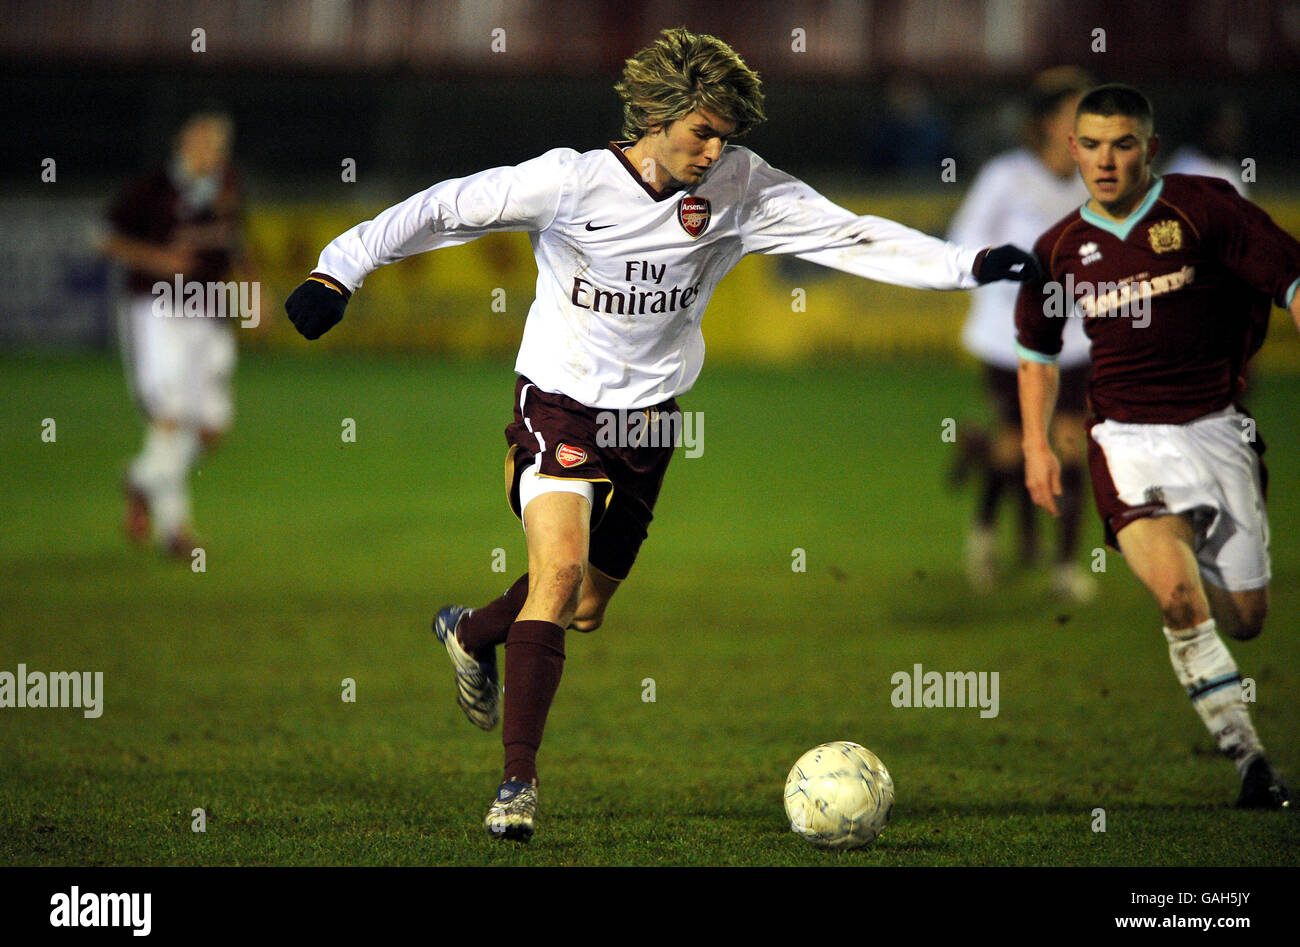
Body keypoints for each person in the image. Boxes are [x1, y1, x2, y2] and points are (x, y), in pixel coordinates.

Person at [286, 27, 1039, 841]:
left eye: (726, 135)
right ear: (656, 114)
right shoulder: (568, 183)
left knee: (584, 607)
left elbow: (848, 234)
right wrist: (338, 270)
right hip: (560, 407)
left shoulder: (742, 188)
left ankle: (471, 632)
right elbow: (442, 208)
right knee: (560, 570)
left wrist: (968, 266)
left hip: (649, 425)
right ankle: (516, 787)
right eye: (702, 132)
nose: (715, 150)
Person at [1016, 84, 1297, 809]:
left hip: (1217, 430)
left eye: (1123, 144)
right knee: (1177, 599)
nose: (1106, 161)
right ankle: (1250, 762)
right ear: (1072, 149)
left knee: (1248, 618)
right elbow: (1038, 355)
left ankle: (1206, 550)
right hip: (1125, 440)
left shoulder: (1205, 209)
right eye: (1092, 145)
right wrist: (1037, 446)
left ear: (1150, 149)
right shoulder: (1056, 251)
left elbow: (1291, 278)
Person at [948, 67, 1095, 599]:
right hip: (1007, 336)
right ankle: (985, 534)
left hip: (1075, 335)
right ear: (1048, 124)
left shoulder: (1095, 179)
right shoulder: (1006, 176)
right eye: (1075, 114)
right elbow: (965, 240)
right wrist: (1008, 270)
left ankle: (1064, 566)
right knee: (1014, 445)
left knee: (1071, 443)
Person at [104, 112, 247, 557]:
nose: (211, 153)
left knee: (211, 427)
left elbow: (235, 242)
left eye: (218, 146)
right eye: (203, 144)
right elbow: (105, 237)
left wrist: (253, 294)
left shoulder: (226, 187)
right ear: (183, 146)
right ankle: (175, 532)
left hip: (209, 313)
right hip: (156, 309)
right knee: (170, 415)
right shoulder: (152, 190)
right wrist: (156, 258)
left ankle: (142, 478)